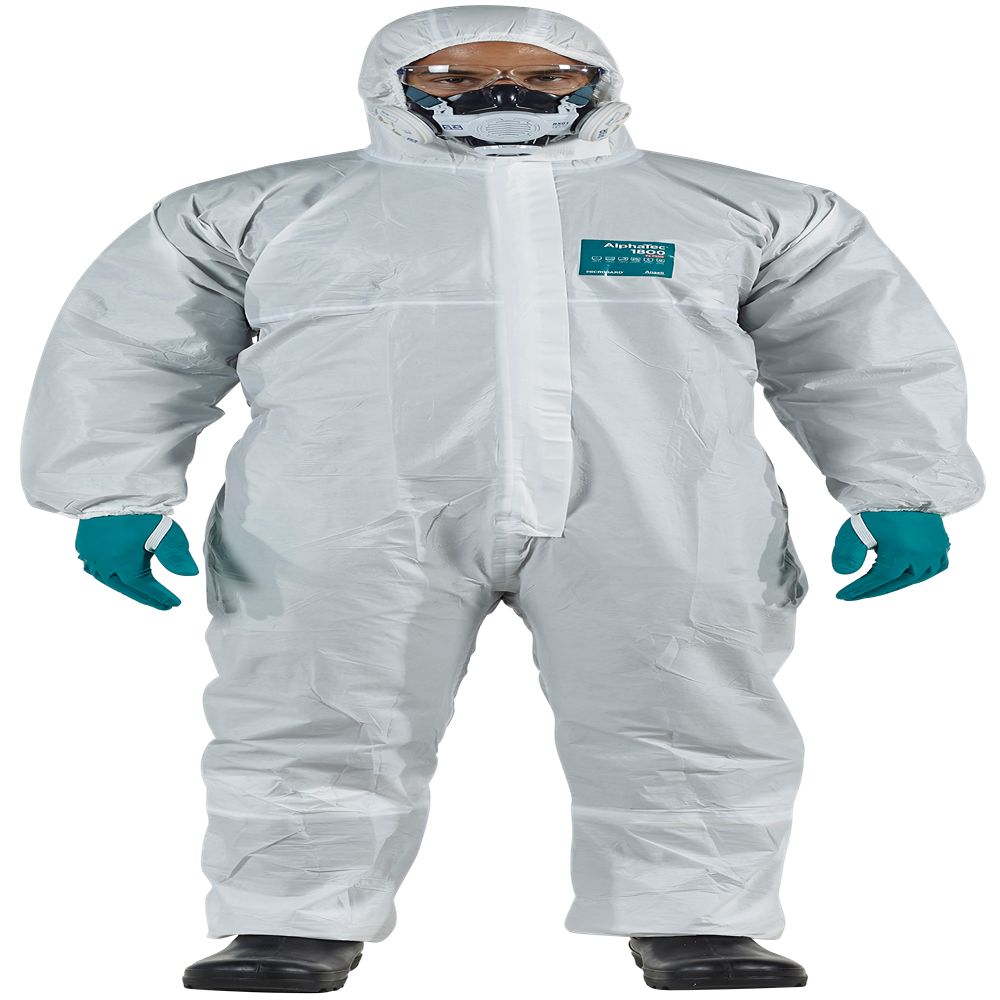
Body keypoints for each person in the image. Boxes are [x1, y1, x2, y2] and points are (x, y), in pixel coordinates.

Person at [20, 4, 984, 993]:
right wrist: (113, 493)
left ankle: (695, 919)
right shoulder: (256, 212)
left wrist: (898, 486)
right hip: (345, 510)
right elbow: (131, 348)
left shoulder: (747, 213)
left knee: (687, 701)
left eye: (540, 74)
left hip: (660, 505)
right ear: (394, 84)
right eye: (456, 77)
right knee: (313, 702)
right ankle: (289, 921)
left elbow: (859, 350)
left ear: (596, 82)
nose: (502, 93)